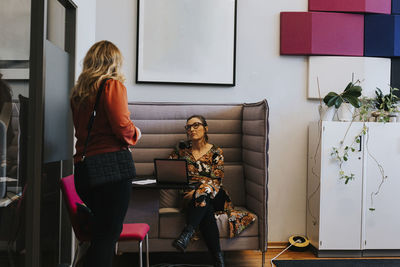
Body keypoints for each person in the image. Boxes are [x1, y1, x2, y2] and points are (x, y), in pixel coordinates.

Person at [70, 40, 141, 267]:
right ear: (113, 62)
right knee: (108, 236)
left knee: (101, 233)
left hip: (84, 171)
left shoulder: (78, 94)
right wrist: (136, 133)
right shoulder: (112, 86)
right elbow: (122, 126)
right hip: (111, 172)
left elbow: (82, 131)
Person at [170, 115, 256, 267]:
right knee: (205, 208)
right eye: (188, 127)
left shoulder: (216, 152)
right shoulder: (181, 150)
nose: (192, 129)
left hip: (217, 195)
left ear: (206, 128)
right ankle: (218, 261)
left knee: (205, 192)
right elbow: (169, 170)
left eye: (196, 125)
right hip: (191, 197)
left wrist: (199, 190)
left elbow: (217, 180)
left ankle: (187, 232)